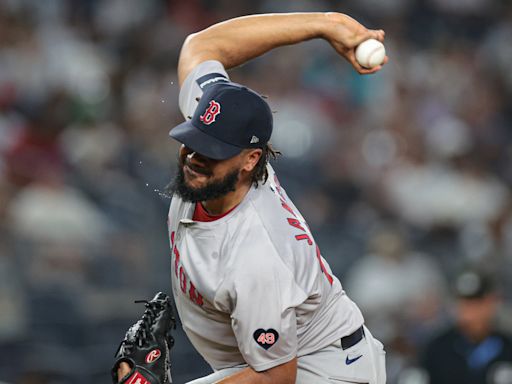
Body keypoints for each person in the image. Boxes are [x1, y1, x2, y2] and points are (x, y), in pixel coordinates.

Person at [118, 12, 388, 384]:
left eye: (210, 151)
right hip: (267, 361)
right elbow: (203, 46)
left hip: (323, 371)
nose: (194, 158)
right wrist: (324, 25)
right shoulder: (223, 134)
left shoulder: (257, 257)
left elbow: (277, 377)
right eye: (192, 142)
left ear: (250, 160)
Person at [420, 269, 512, 384]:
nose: (470, 314)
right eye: (464, 305)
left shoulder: (507, 349)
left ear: (492, 302)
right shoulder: (437, 350)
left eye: (477, 304)